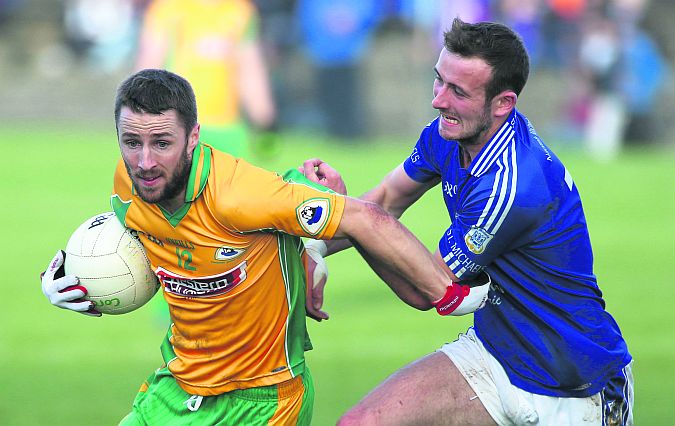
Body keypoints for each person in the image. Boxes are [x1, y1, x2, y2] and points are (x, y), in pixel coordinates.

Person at [39, 68, 462, 425]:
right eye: (131, 143)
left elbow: (366, 218)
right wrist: (69, 280)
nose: (145, 162)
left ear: (193, 137)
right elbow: (125, 245)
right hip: (177, 389)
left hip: (263, 402)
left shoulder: (240, 195)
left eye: (162, 143)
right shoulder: (128, 185)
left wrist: (449, 293)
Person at [301, 18, 633, 425]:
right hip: (493, 353)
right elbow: (386, 200)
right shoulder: (449, 132)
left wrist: (353, 217)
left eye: (458, 91)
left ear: (503, 104)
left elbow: (428, 288)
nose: (439, 100)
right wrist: (312, 241)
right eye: (438, 81)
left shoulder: (512, 186)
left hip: (572, 389)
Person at [135, 0, 276, 158]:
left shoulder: (240, 10)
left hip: (228, 128)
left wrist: (263, 116)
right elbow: (149, 64)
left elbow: (250, 68)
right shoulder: (167, 8)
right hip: (180, 125)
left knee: (234, 181)